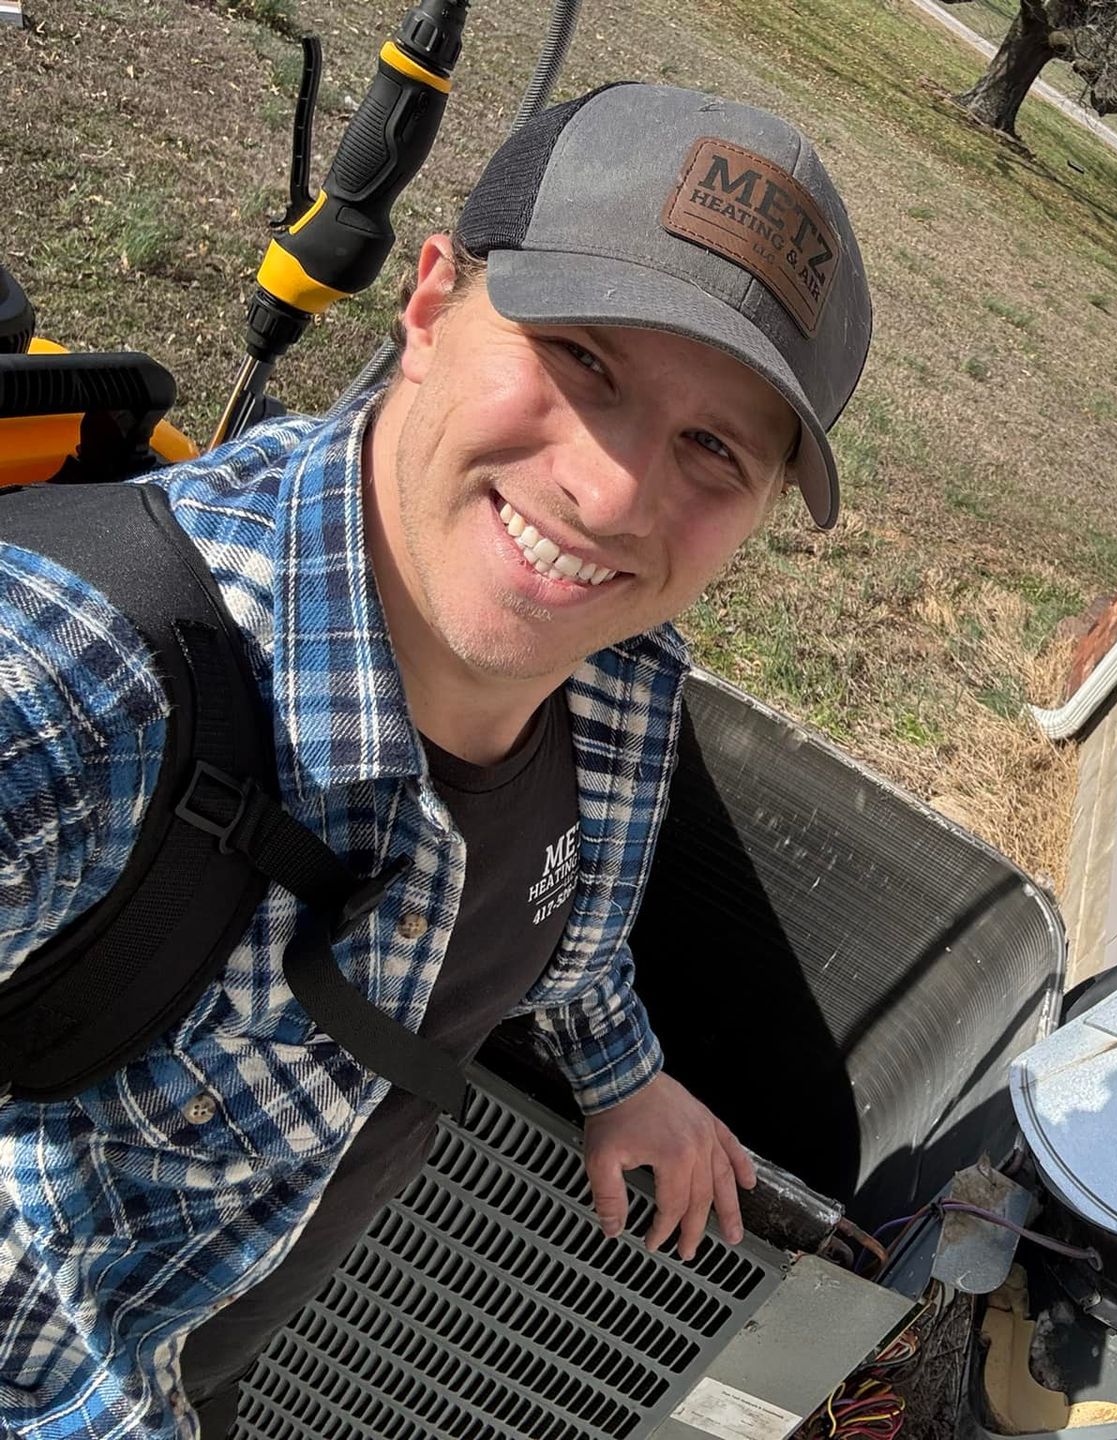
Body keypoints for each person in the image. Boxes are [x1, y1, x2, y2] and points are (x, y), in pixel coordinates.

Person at [0, 81, 871, 1436]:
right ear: (425, 309)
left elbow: (558, 929)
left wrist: (623, 1071)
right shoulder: (76, 690)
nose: (614, 491)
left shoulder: (619, 691)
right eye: (584, 359)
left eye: (713, 447)